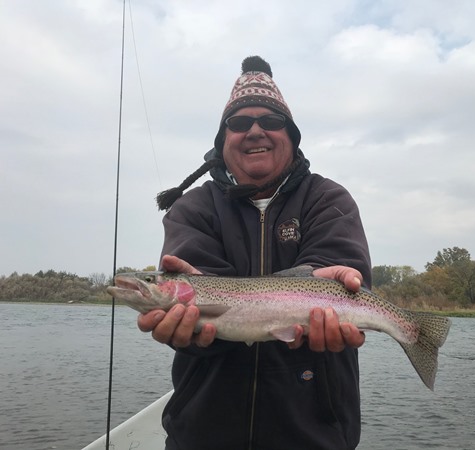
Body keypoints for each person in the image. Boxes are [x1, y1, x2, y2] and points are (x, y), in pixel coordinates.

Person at [137, 55, 372, 450]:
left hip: (315, 436)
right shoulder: (193, 208)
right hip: (204, 436)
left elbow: (343, 273)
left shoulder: (329, 199)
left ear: (292, 136)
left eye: (272, 121)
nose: (256, 130)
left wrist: (325, 286)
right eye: (240, 123)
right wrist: (187, 332)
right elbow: (208, 322)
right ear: (223, 139)